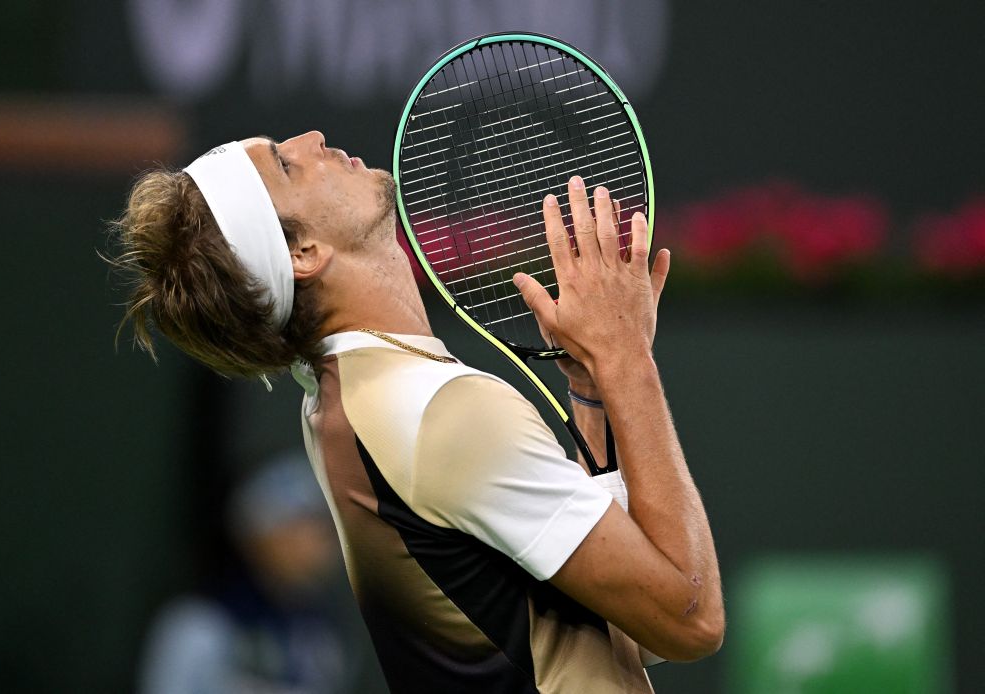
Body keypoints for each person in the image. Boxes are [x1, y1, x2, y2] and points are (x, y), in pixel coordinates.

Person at [110, 132, 724, 692]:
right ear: (303, 251)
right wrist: (627, 361)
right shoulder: (439, 412)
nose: (312, 139)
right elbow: (687, 622)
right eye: (287, 164)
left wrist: (593, 391)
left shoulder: (340, 403)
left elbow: (622, 626)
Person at [138, 453, 364, 694]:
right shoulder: (198, 623)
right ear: (257, 535)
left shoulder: (322, 634)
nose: (318, 547)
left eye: (325, 531)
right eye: (298, 528)